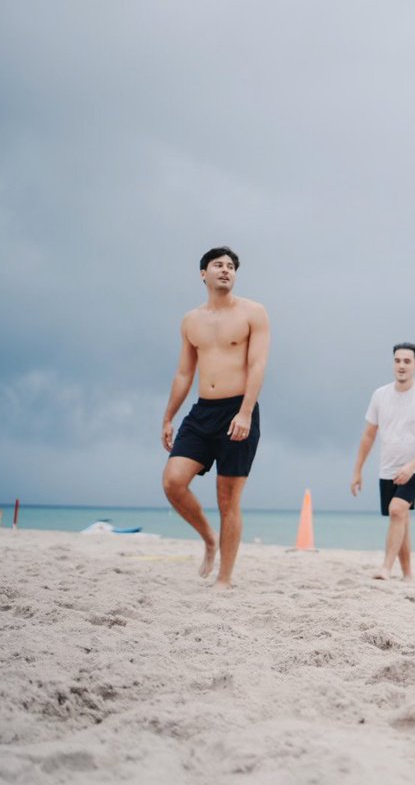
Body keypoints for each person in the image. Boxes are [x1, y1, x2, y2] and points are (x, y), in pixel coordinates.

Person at [161, 247, 270, 590]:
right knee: (173, 481)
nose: (225, 270)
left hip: (238, 409)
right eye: (218, 265)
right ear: (202, 274)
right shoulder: (191, 320)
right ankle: (209, 538)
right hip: (202, 411)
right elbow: (183, 373)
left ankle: (225, 577)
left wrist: (245, 412)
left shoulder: (254, 313)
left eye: (230, 266)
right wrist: (168, 417)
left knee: (228, 501)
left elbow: (257, 365)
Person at [351, 342, 415, 580]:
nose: (401, 366)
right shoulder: (380, 395)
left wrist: (411, 466)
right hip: (388, 468)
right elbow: (369, 434)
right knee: (400, 517)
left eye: (407, 361)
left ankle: (386, 568)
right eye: (397, 360)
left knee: (397, 509)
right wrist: (357, 470)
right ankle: (408, 574)